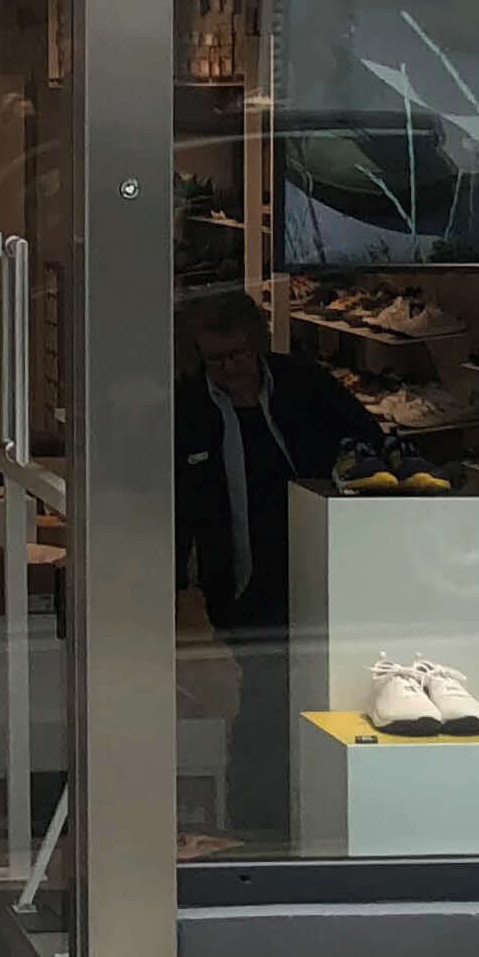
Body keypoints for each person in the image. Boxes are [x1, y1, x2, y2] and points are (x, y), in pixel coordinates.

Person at [175, 296, 377, 844]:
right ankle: (262, 823)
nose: (228, 370)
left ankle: (309, 813)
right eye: (214, 360)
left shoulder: (304, 385)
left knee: (321, 690)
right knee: (267, 691)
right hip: (240, 580)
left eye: (237, 356)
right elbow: (176, 503)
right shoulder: (188, 408)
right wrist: (176, 585)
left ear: (257, 347)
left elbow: (369, 441)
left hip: (323, 562)